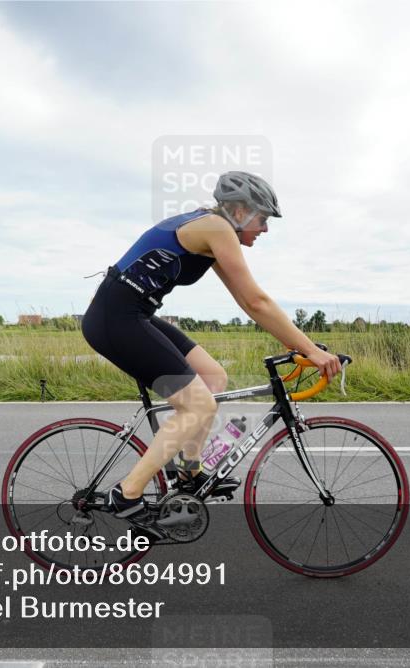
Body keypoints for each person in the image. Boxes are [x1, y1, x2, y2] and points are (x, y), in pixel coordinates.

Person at [81, 171, 342, 524]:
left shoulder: (214, 230)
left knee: (213, 377)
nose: (265, 228)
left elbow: (247, 302)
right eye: (263, 219)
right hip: (114, 318)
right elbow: (257, 302)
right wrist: (311, 350)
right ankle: (127, 493)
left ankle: (189, 473)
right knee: (197, 405)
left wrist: (297, 344)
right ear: (240, 210)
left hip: (132, 313)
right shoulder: (217, 228)